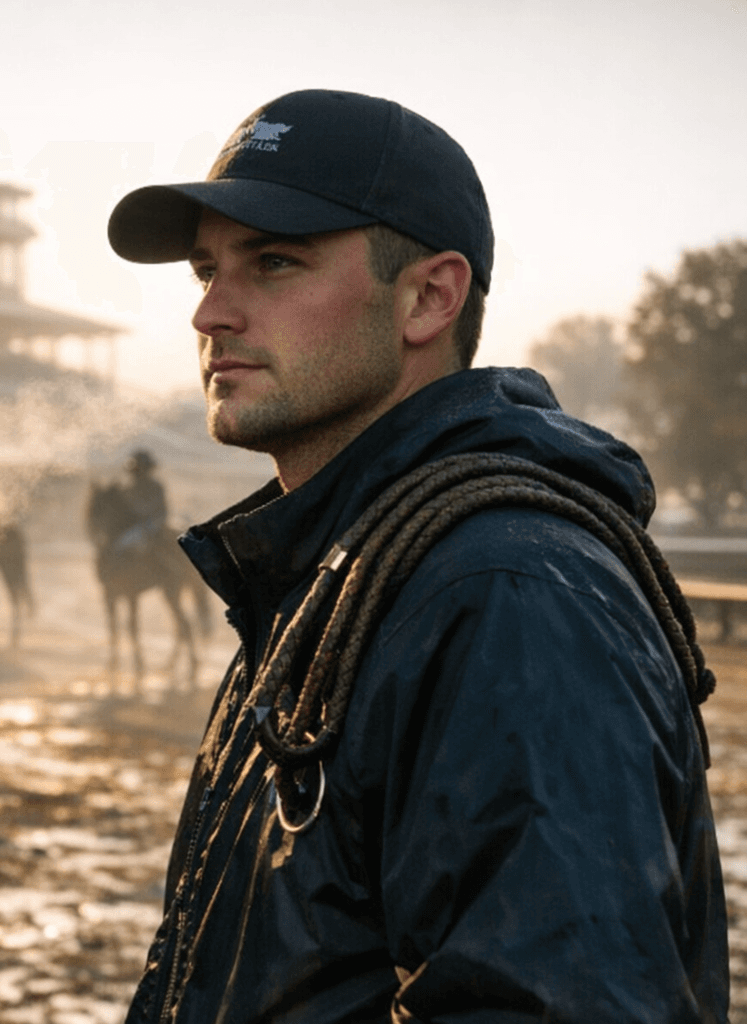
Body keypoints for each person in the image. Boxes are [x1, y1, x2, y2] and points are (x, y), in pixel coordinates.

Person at [106, 89, 725, 1021]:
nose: (211, 316)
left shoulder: (503, 601)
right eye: (204, 271)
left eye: (274, 263)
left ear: (429, 297)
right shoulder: (345, 573)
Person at [113, 449, 169, 553]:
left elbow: (158, 511)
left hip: (151, 524)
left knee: (122, 545)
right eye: (136, 470)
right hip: (134, 524)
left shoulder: (155, 487)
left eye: (141, 469)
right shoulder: (128, 489)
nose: (138, 473)